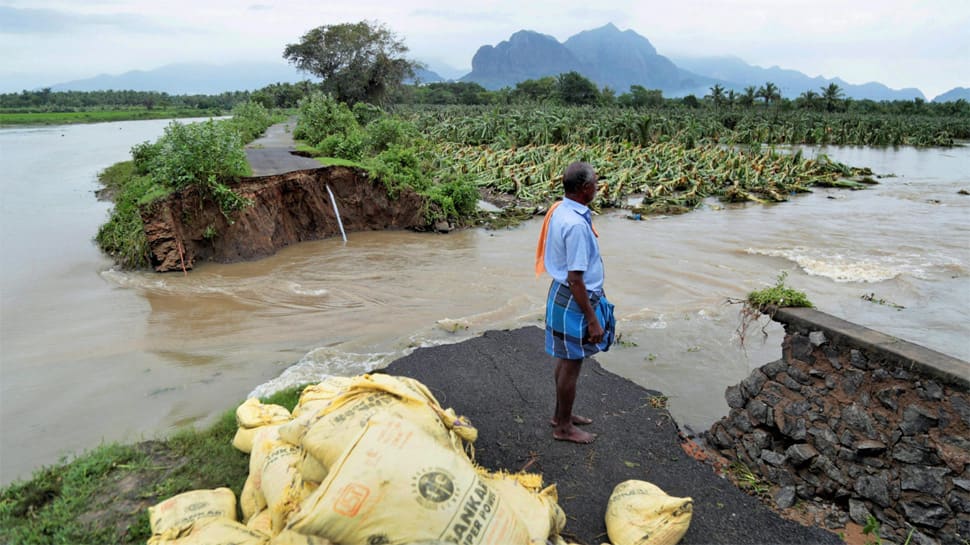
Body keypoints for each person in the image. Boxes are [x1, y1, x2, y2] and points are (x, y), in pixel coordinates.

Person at [536, 161, 615, 444]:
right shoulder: (576, 226)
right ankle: (564, 428)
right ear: (584, 189)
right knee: (572, 363)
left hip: (561, 292)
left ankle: (561, 415)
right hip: (575, 296)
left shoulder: (560, 209)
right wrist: (593, 319)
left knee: (565, 358)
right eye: (595, 182)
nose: (598, 186)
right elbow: (576, 279)